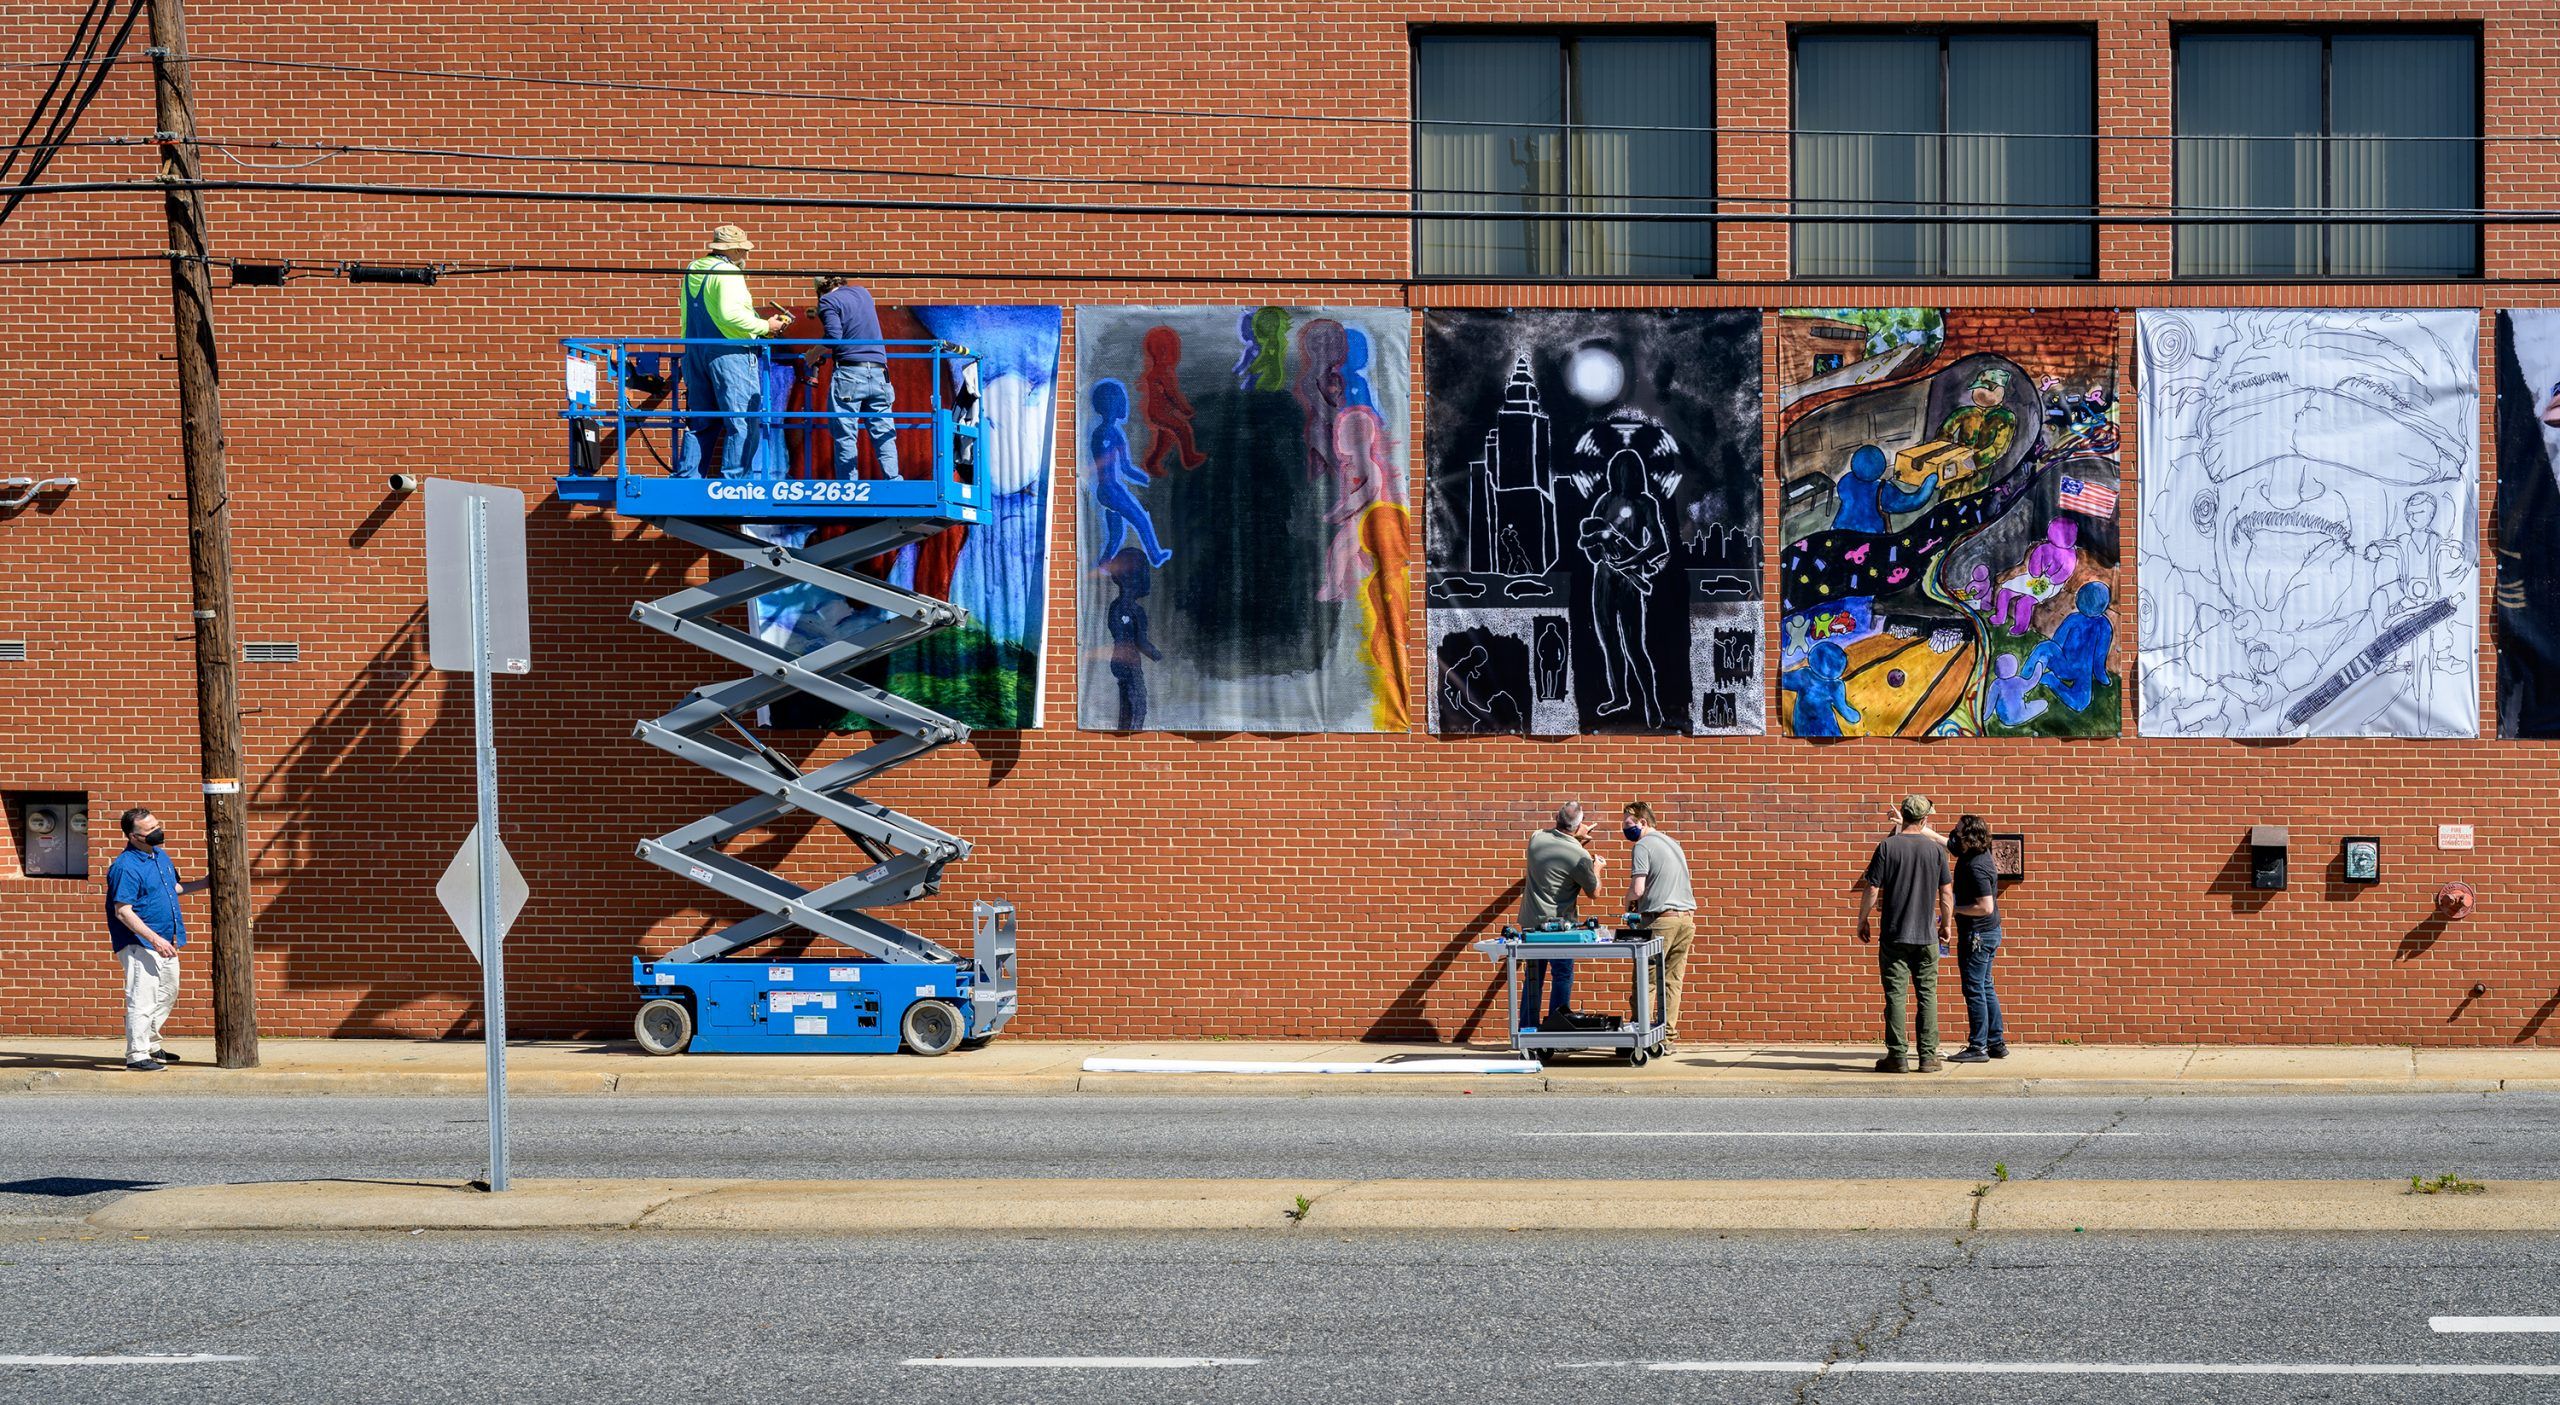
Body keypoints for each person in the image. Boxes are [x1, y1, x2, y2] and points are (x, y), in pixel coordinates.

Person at [677, 225, 794, 480]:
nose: (746, 255)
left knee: (701, 421)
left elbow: (693, 313)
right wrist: (766, 326)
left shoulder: (693, 269)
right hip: (730, 354)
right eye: (744, 250)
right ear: (737, 249)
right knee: (743, 420)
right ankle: (735, 482)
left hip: (695, 351)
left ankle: (688, 479)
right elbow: (730, 315)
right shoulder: (729, 271)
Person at [105, 807, 208, 1072]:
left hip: (166, 940)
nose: (157, 832)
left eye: (157, 825)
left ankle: (151, 1044)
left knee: (167, 992)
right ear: (133, 836)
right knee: (142, 997)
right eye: (149, 830)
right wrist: (155, 940)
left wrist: (207, 882)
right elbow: (123, 911)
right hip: (140, 943)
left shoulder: (160, 856)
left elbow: (173, 889)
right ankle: (137, 1054)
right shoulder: (125, 867)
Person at [1855, 795, 1952, 1073]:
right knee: (1927, 995)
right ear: (1925, 819)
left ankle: (1897, 1056)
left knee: (1896, 995)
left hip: (1894, 934)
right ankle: (1928, 1056)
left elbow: (1872, 888)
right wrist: (1946, 924)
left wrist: (1862, 920)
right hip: (1925, 935)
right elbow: (1946, 892)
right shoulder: (1935, 851)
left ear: (1905, 816)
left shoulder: (1887, 846)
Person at [1518, 802, 1606, 1031]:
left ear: (1556, 818)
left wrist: (1576, 837)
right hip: (1561, 929)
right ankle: (1556, 1028)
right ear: (1577, 826)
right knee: (1562, 975)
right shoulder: (1580, 855)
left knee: (1533, 979)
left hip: (1531, 923)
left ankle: (1527, 1029)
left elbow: (1557, 849)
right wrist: (1596, 867)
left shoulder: (1536, 838)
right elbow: (1594, 892)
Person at [1621, 801, 1696, 1050]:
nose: (1624, 828)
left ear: (1643, 822)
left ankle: (1640, 1035)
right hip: (1686, 919)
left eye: (1628, 823)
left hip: (1661, 920)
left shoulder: (1643, 845)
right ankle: (1667, 1037)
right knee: (1673, 980)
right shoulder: (1672, 843)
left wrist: (1628, 900)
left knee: (1646, 978)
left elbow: (1638, 888)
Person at [814, 274, 898, 480]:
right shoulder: (863, 293)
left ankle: (848, 486)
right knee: (884, 432)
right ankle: (894, 480)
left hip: (850, 373)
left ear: (820, 292)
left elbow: (834, 336)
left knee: (845, 433)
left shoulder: (827, 301)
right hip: (880, 373)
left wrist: (814, 352)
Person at [1946, 814, 2008, 1063]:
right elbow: (1944, 842)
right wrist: (1911, 825)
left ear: (1969, 836)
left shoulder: (1976, 866)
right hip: (1986, 934)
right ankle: (1996, 1043)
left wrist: (1953, 907)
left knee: (1974, 990)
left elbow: (1985, 907)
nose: (1954, 833)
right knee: (1985, 987)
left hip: (1978, 936)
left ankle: (1978, 1046)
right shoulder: (1971, 855)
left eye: (1959, 830)